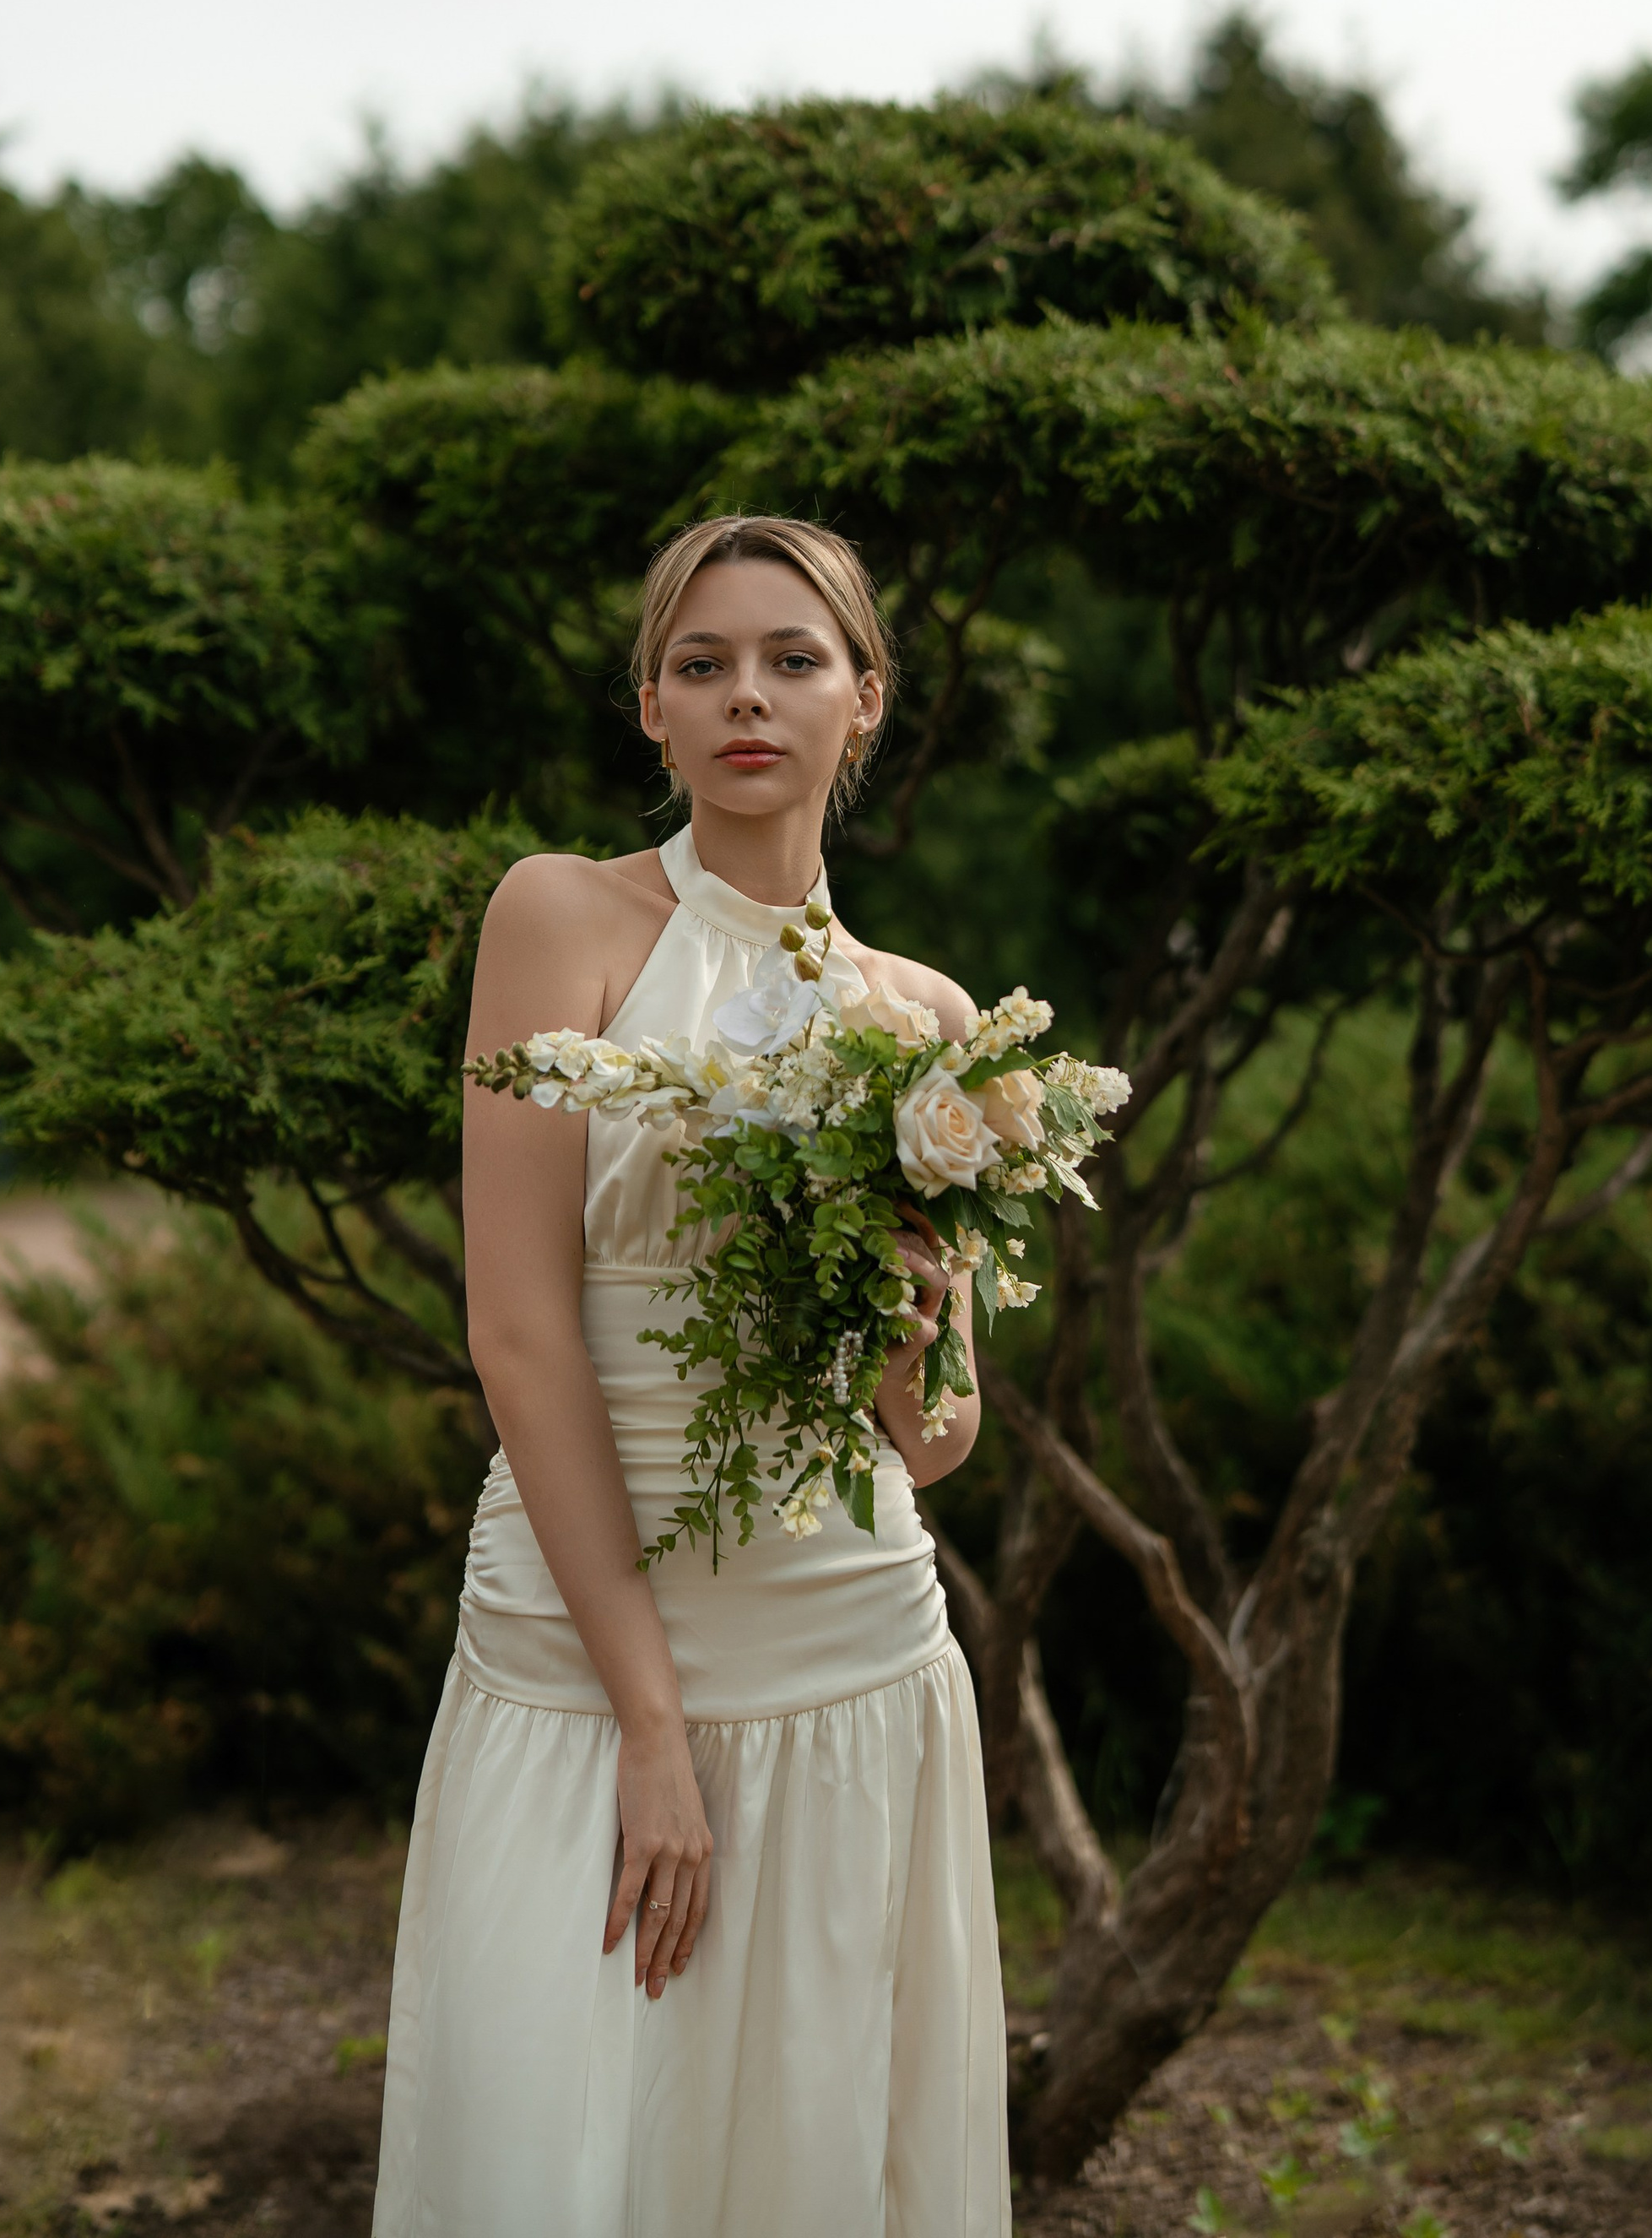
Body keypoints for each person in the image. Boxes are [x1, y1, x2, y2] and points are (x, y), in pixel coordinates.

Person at [372, 515, 1010, 2237]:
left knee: (806, 2155)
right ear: (648, 711)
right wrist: (648, 1718)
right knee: (556, 2141)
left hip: (848, 1644)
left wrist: (908, 1308)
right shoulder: (557, 919)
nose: (749, 697)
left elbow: (937, 1440)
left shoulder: (929, 1020)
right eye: (702, 664)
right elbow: (516, 1326)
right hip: (586, 1653)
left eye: (793, 661)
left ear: (862, 703)